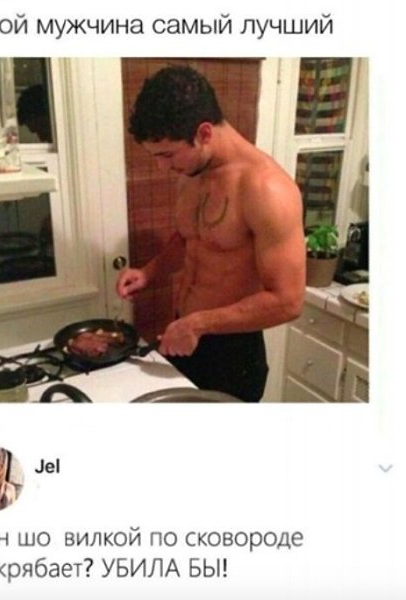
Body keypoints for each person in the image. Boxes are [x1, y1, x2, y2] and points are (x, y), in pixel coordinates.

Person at [117, 66, 306, 402]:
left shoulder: (267, 189)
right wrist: (149, 272)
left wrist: (199, 323)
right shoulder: (192, 171)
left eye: (167, 155)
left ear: (204, 133)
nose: (162, 167)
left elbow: (288, 301)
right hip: (185, 336)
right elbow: (190, 238)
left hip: (232, 356)